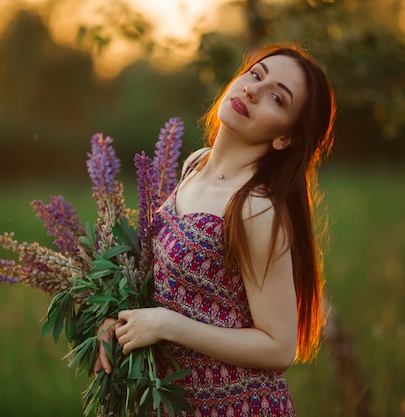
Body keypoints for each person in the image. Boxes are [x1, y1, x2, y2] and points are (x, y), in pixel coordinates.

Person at [95, 43, 336, 417]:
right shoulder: (196, 164)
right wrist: (120, 319)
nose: (253, 90)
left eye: (277, 98)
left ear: (285, 138)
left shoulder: (256, 209)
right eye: (256, 75)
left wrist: (168, 325)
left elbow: (279, 348)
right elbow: (167, 280)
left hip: (239, 407)